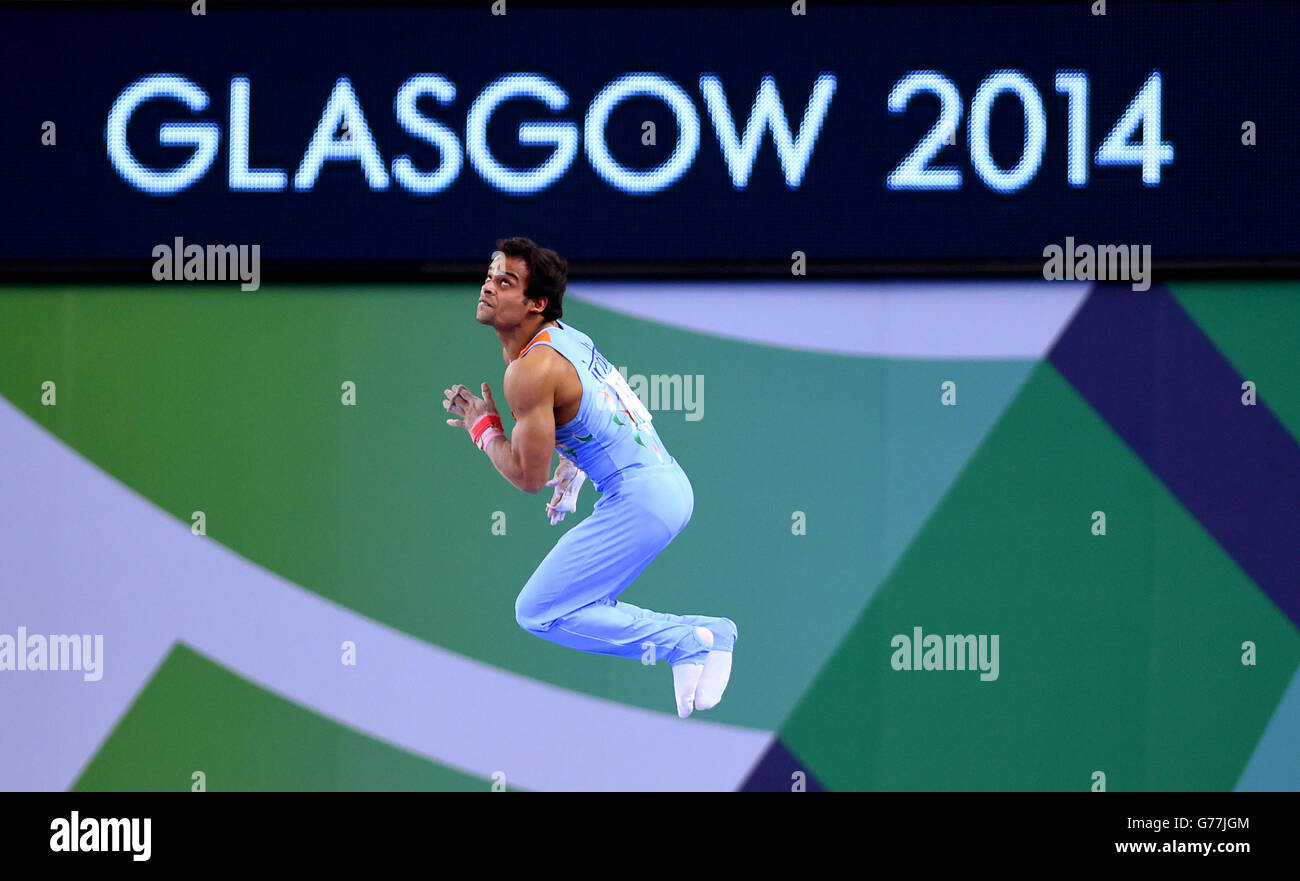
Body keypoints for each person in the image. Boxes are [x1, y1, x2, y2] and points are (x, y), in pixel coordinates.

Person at [443, 237, 736, 718]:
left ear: (536, 303)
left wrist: (484, 429)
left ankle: (689, 640)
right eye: (490, 276)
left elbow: (527, 478)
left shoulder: (529, 370)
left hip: (640, 499)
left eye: (506, 282)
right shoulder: (567, 339)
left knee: (538, 611)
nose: (488, 287)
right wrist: (573, 471)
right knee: (582, 602)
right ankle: (698, 639)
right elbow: (605, 412)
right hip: (669, 484)